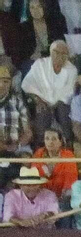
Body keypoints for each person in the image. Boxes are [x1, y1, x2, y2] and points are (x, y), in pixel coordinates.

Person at [21, 39, 75, 146]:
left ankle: (68, 146)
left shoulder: (71, 69)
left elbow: (68, 93)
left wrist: (54, 104)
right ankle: (39, 148)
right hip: (41, 101)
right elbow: (27, 85)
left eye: (64, 53)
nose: (60, 55)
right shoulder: (40, 64)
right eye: (56, 52)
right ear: (51, 52)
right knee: (42, 112)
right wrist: (38, 100)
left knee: (63, 112)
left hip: (61, 103)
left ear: (68, 55)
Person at [7, 0, 66, 79]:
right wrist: (33, 56)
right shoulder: (23, 27)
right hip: (32, 59)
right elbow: (20, 51)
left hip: (51, 57)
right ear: (29, 10)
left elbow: (61, 43)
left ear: (45, 8)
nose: (36, 10)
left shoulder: (54, 24)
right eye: (32, 8)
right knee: (30, 68)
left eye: (39, 7)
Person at [0, 62, 32, 191]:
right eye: (0, 81)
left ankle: (20, 195)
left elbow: (28, 132)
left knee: (26, 161)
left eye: (6, 81)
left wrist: (16, 145)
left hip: (16, 146)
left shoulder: (17, 101)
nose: (2, 85)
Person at [33, 125, 76, 200]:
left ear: (60, 142)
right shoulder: (38, 154)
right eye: (47, 139)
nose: (50, 142)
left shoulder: (68, 155)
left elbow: (70, 179)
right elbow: (34, 177)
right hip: (41, 196)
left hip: (62, 197)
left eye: (54, 139)